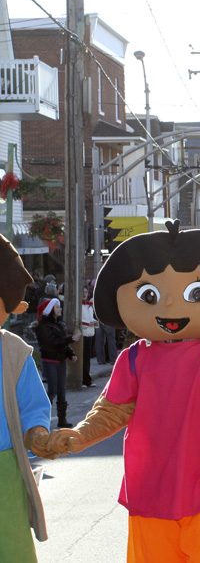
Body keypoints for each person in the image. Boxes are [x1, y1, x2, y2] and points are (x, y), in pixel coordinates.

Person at [47, 221, 200, 562]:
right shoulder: (135, 358)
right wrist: (79, 437)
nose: (169, 304)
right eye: (149, 295)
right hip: (152, 491)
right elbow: (112, 410)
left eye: (198, 293)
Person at [0, 233, 56, 562]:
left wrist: (37, 432)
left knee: (10, 548)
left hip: (3, 471)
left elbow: (33, 406)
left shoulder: (13, 351)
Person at [34, 298, 79, 428]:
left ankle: (62, 419)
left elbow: (62, 343)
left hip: (61, 361)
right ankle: (40, 418)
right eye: (57, 307)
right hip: (49, 361)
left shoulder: (60, 324)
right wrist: (70, 339)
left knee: (61, 390)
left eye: (59, 307)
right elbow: (52, 344)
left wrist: (71, 354)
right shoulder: (43, 326)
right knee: (52, 390)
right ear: (50, 310)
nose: (60, 309)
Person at [80, 284, 97, 388]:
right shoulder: (79, 306)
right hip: (83, 334)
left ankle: (87, 379)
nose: (84, 294)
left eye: (86, 292)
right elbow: (78, 321)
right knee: (83, 358)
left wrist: (95, 322)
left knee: (87, 358)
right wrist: (88, 323)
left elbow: (91, 318)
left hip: (91, 334)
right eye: (82, 292)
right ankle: (83, 379)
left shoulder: (89, 306)